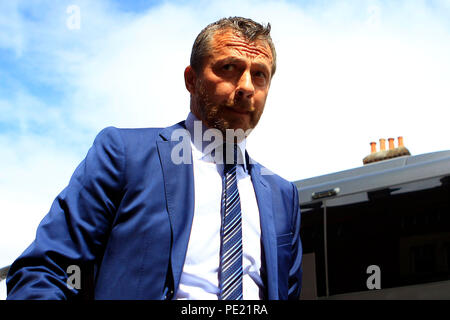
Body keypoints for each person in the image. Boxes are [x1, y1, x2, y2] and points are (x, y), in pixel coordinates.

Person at [6, 17, 302, 300]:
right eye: (228, 67)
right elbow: (50, 269)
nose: (247, 87)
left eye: (259, 74)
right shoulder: (125, 155)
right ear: (191, 79)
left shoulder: (282, 196)